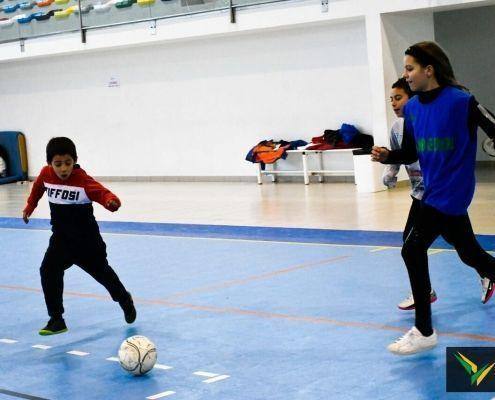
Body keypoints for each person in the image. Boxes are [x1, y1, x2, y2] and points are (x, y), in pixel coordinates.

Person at [372, 41, 495, 355]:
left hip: (451, 191)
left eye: (410, 68)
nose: (406, 75)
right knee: (470, 254)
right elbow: (412, 151)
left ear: (430, 70)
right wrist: (388, 157)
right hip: (433, 189)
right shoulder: (412, 108)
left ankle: (424, 330)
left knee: (412, 249)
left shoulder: (461, 101)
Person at [23, 137, 136, 335]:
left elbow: (102, 193)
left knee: (104, 276)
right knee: (48, 270)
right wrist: (29, 207)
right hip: (61, 240)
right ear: (49, 163)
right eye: (58, 164)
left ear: (75, 160)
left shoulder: (82, 180)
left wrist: (111, 201)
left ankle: (124, 299)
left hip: (87, 243)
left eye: (68, 163)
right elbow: (37, 189)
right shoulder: (46, 174)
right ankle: (56, 319)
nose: (63, 168)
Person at [383, 78, 438, 310]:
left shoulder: (426, 123)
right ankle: (424, 292)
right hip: (419, 195)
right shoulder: (396, 128)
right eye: (391, 99)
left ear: (412, 99)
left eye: (399, 98)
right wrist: (390, 173)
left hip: (437, 194)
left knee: (412, 248)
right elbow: (398, 155)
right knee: (464, 246)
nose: (394, 104)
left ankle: (423, 295)